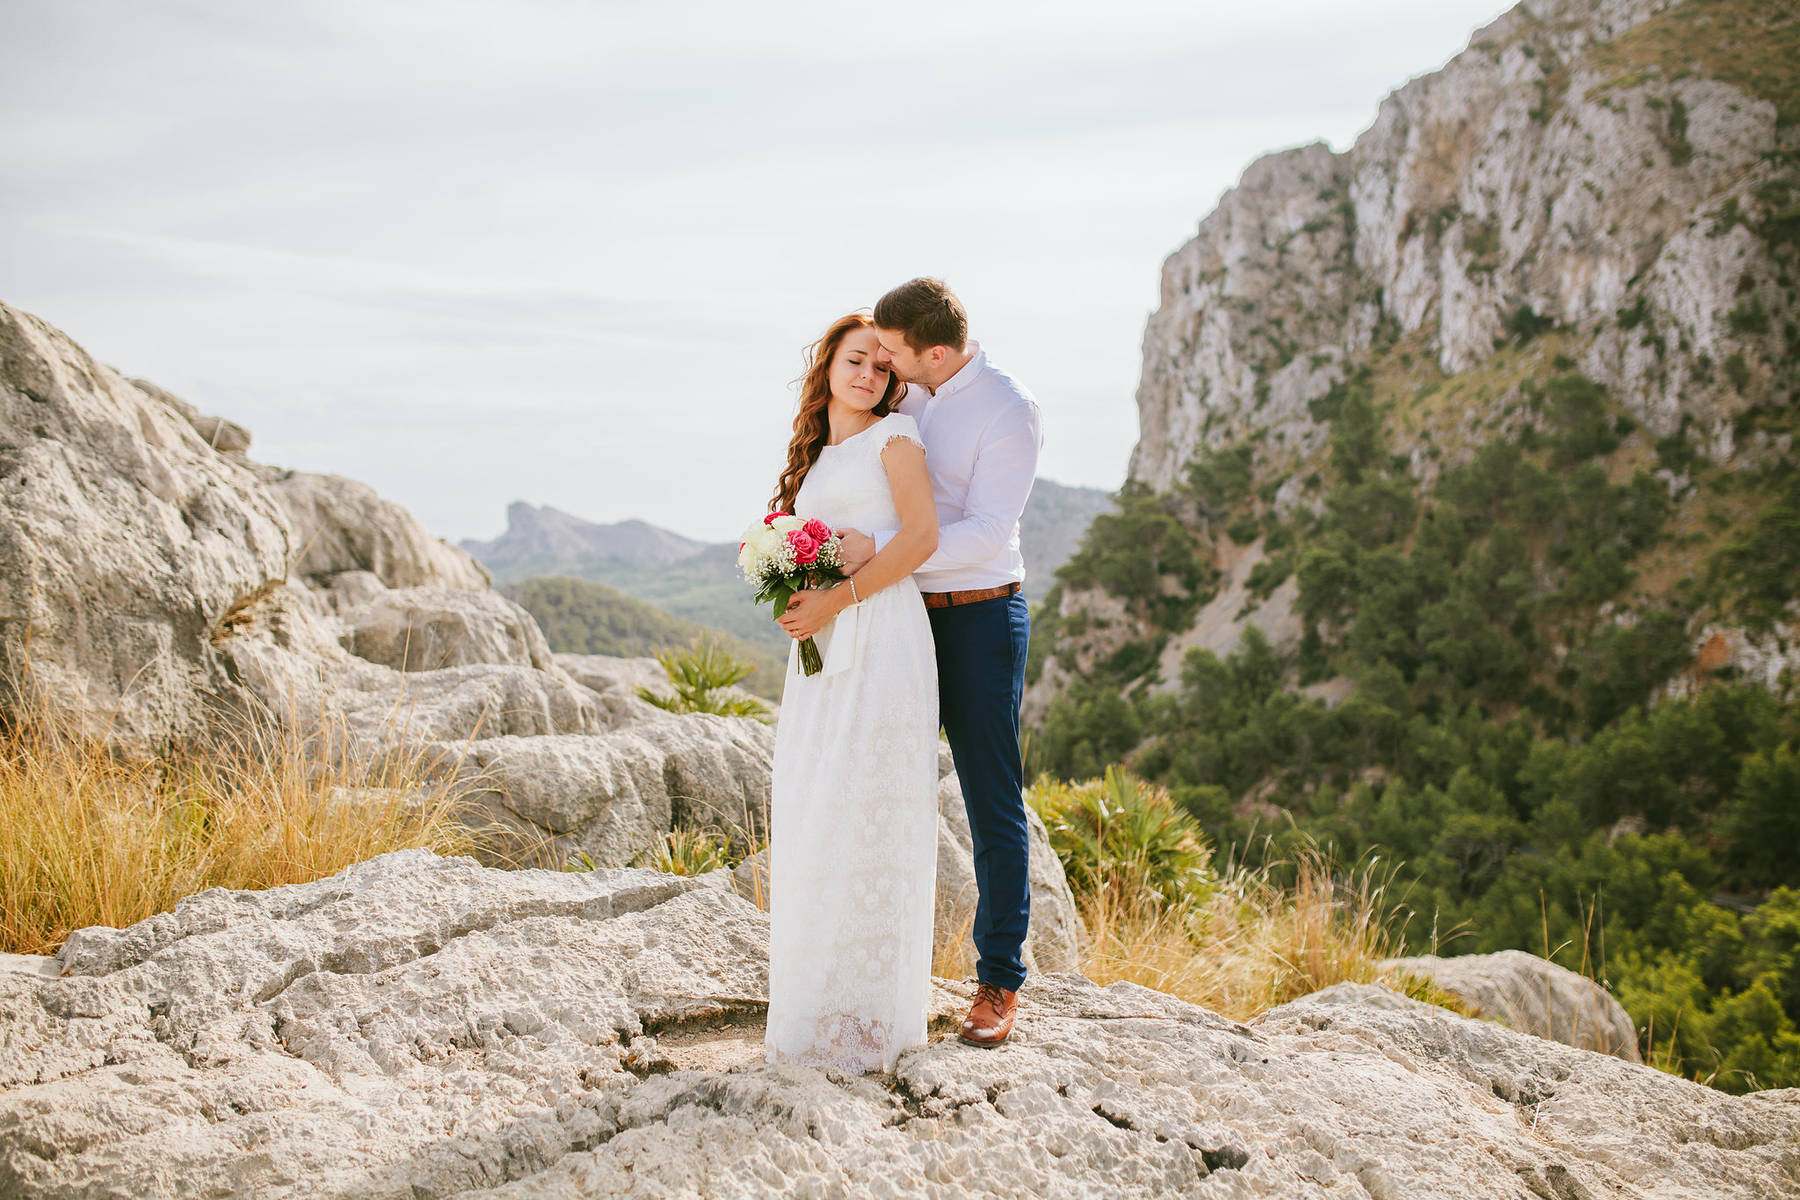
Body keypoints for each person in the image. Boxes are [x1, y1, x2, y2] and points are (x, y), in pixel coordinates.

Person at [790, 277, 1042, 1048]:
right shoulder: (910, 403)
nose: (886, 366)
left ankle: (998, 982)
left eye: (896, 352)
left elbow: (986, 531)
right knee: (874, 784)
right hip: (893, 619)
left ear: (933, 351)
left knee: (989, 797)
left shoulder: (1007, 409)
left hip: (975, 618)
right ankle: (861, 973)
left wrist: (877, 561)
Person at [763, 312, 941, 1074]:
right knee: (818, 810)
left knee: (872, 815)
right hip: (825, 650)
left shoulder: (894, 441)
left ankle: (873, 1020)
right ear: (828, 364)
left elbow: (922, 538)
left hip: (883, 641)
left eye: (880, 365)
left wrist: (839, 599)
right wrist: (795, 595)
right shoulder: (814, 457)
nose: (867, 374)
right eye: (854, 359)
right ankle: (819, 1003)